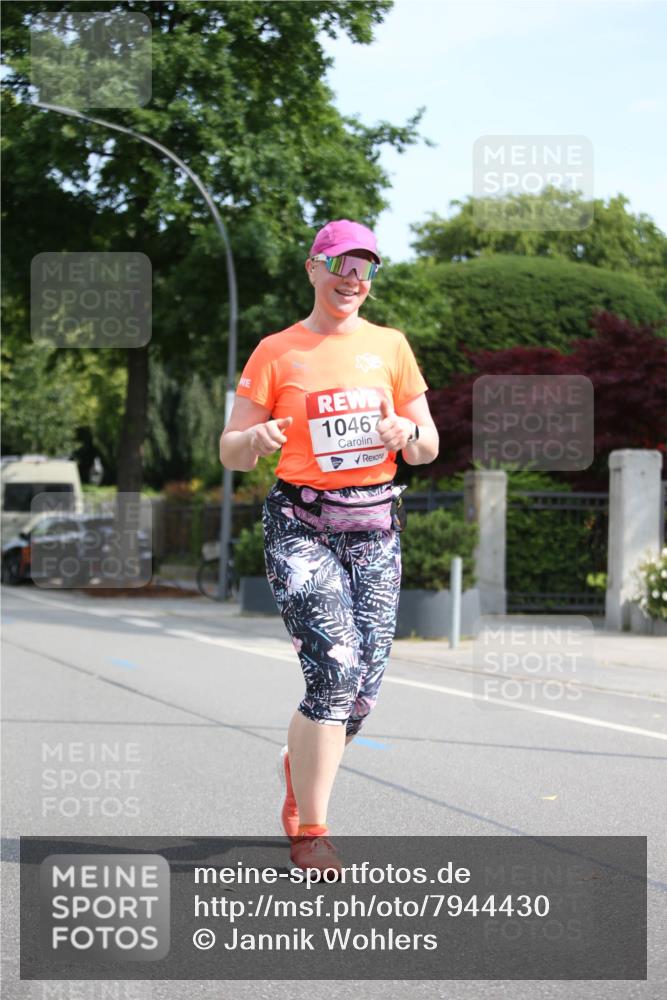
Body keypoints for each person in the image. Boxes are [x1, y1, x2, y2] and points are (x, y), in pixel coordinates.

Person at [219, 219, 439, 874]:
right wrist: (252, 443)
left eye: (364, 268)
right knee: (335, 672)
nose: (352, 279)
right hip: (301, 525)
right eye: (341, 265)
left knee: (362, 693)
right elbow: (229, 448)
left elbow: (427, 444)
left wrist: (407, 432)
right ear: (313, 268)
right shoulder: (276, 351)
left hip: (374, 530)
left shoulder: (391, 347)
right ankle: (310, 828)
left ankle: (303, 758)